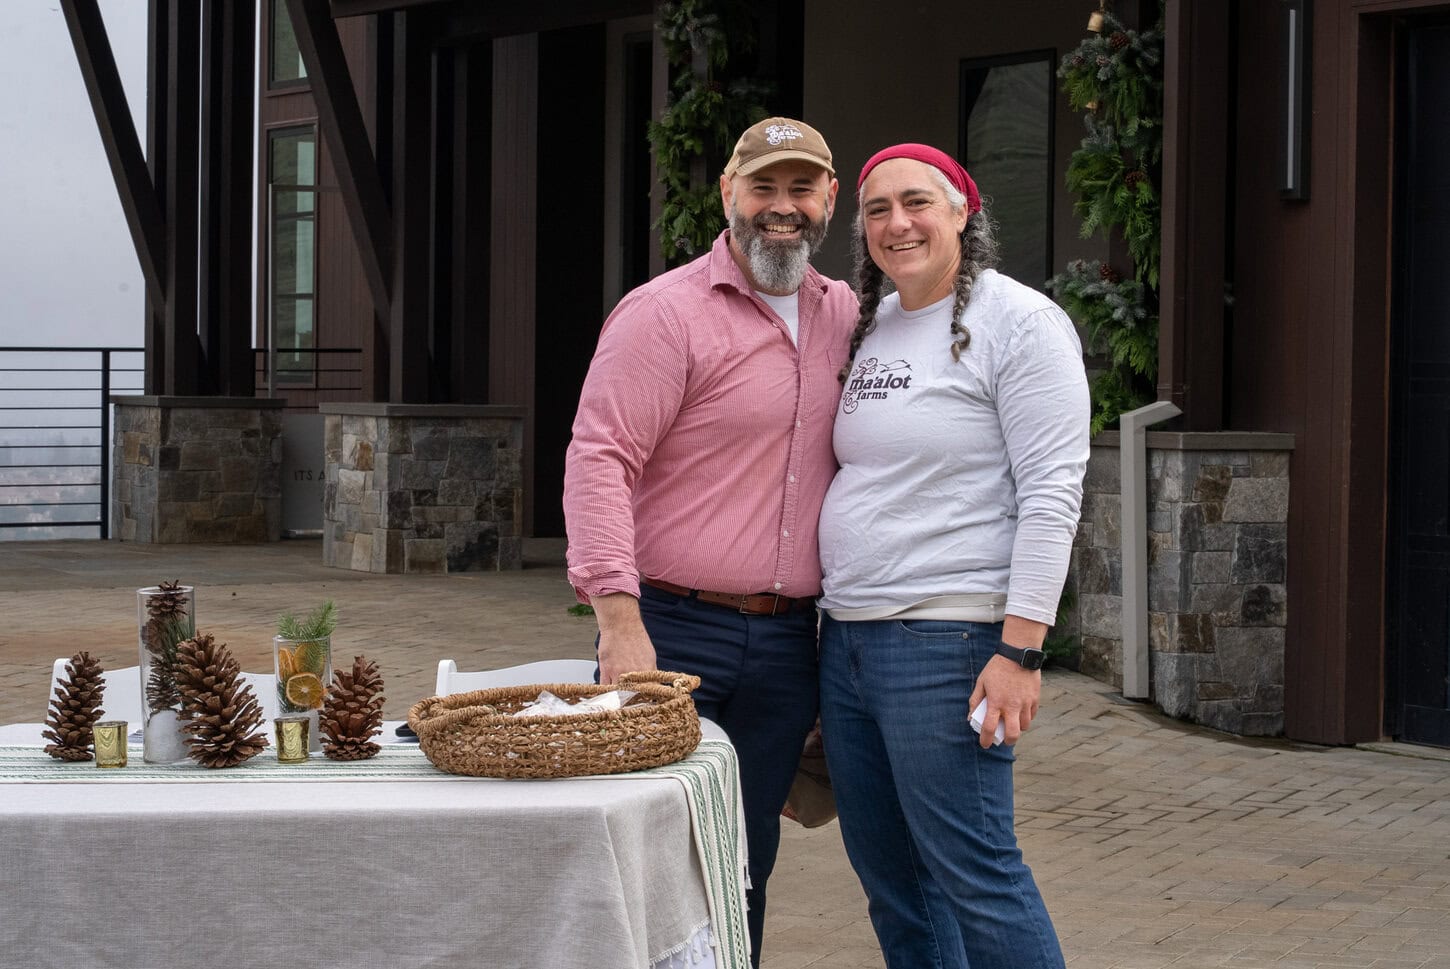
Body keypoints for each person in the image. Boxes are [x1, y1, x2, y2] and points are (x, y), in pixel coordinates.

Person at [563, 117, 858, 966]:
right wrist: (619, 623)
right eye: (762, 188)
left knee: (743, 863)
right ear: (729, 194)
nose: (781, 208)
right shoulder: (664, 314)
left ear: (828, 200)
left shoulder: (847, 316)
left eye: (800, 189)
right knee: (646, 852)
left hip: (785, 643)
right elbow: (600, 460)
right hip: (668, 627)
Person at [816, 143, 1088, 968]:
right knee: (894, 881)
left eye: (917, 202)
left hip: (947, 642)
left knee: (976, 874)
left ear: (963, 211)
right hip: (849, 642)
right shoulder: (877, 323)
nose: (897, 223)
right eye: (876, 209)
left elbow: (1052, 494)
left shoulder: (1021, 322)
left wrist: (1020, 650)